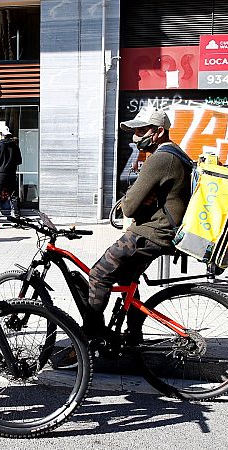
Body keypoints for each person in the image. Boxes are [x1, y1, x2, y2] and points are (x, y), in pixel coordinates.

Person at [83, 107, 191, 345]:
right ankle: (133, 338)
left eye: (142, 130)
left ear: (159, 131)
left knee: (98, 275)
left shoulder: (161, 158)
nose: (135, 136)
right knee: (126, 279)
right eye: (134, 130)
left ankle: (86, 343)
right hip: (163, 232)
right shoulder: (176, 154)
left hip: (150, 233)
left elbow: (129, 208)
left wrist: (130, 197)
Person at [0, 126, 22, 229]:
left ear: (1, 135)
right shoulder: (15, 146)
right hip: (11, 173)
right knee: (13, 195)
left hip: (1, 173)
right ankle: (17, 218)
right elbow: (19, 161)